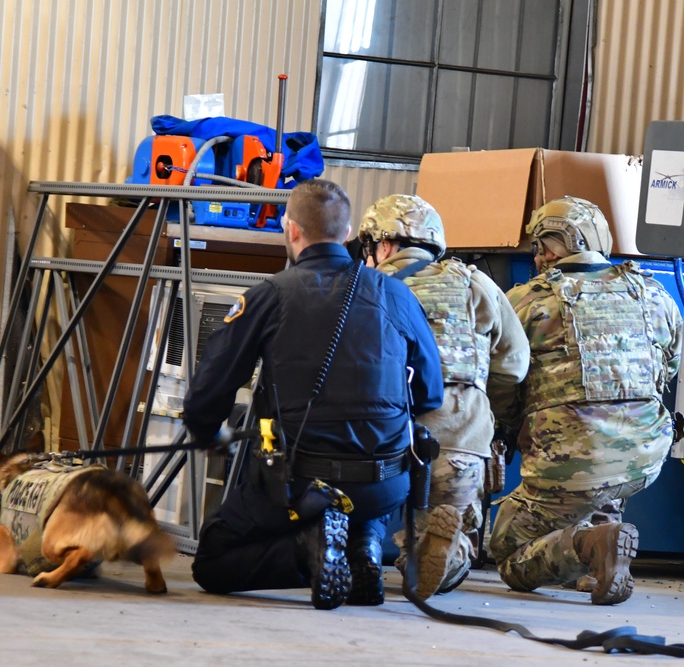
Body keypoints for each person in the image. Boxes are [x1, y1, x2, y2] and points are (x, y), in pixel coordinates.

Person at [183, 178, 443, 610]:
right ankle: (364, 542)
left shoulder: (268, 297)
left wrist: (209, 435)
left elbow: (209, 391)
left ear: (291, 230)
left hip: (301, 484)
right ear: (347, 234)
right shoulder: (396, 295)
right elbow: (430, 394)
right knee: (362, 497)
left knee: (212, 560)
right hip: (385, 485)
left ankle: (310, 547)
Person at [489, 196, 683, 605]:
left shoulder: (525, 300)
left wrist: (509, 429)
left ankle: (586, 546)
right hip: (644, 459)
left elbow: (501, 384)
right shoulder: (656, 295)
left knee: (507, 553)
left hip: (569, 465)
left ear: (548, 246)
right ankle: (599, 539)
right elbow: (666, 373)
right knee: (605, 459)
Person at [357, 194, 530, 600]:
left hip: (376, 445)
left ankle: (362, 548)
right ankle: (442, 554)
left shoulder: (364, 287)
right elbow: (515, 366)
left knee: (357, 514)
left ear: (382, 245)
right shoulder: (475, 284)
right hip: (457, 443)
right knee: (453, 542)